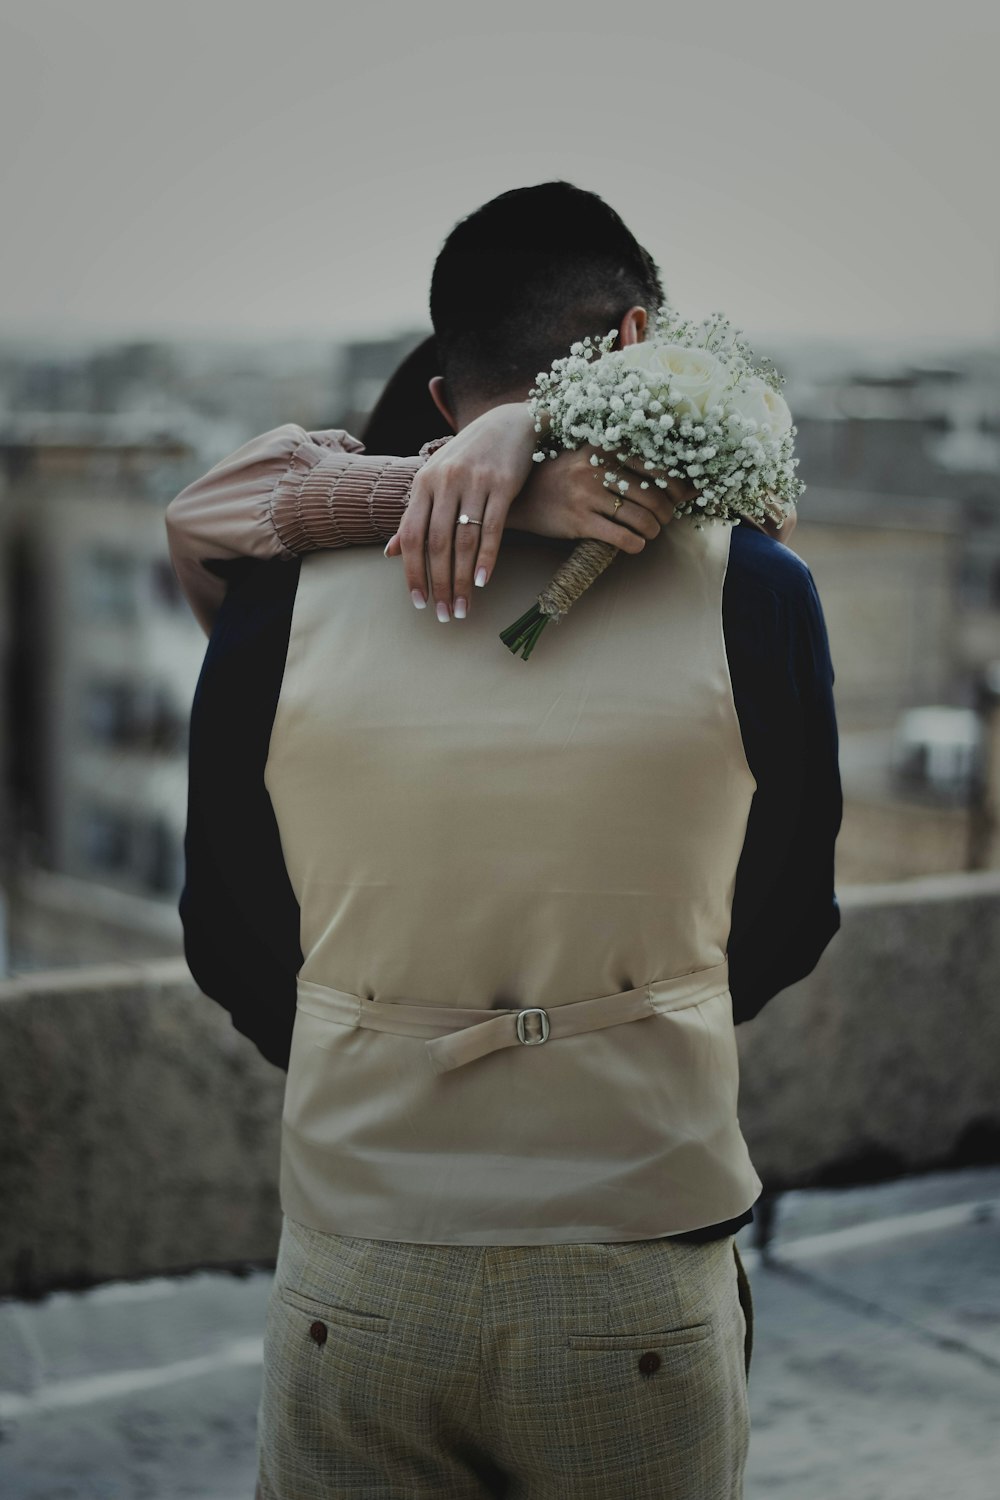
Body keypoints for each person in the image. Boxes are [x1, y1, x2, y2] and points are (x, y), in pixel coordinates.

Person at [167, 181, 842, 1499]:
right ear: (645, 346)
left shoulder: (281, 595)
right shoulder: (757, 590)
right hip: (637, 1241)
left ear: (438, 400)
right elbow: (789, 916)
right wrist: (634, 1018)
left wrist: (384, 1041)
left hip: (357, 1261)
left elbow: (227, 928)